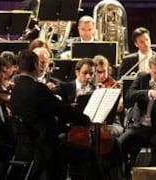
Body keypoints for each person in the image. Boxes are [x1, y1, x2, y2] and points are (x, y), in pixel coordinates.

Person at [10, 50, 102, 179]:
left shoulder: (16, 88)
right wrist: (86, 120)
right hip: (44, 146)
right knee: (88, 153)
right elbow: (62, 109)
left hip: (24, 145)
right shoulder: (38, 88)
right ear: (36, 65)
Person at [118, 53, 156, 171]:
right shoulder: (142, 78)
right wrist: (149, 93)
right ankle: (123, 174)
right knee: (120, 143)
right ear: (150, 70)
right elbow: (129, 95)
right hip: (139, 128)